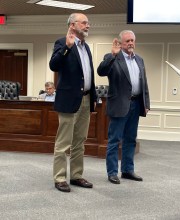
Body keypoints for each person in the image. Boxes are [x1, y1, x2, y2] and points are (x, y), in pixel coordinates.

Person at [49, 13, 97, 192]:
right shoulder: (62, 42)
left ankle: (76, 175)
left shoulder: (86, 47)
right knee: (63, 142)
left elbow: (88, 75)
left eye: (88, 23)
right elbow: (53, 65)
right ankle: (60, 177)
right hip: (69, 100)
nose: (88, 26)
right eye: (84, 23)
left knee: (80, 141)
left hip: (85, 99)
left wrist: (92, 99)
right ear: (73, 25)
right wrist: (67, 48)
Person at [97, 30, 150, 184]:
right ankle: (112, 172)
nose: (130, 43)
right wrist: (113, 55)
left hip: (135, 104)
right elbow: (101, 71)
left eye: (132, 40)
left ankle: (127, 170)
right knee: (114, 140)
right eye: (127, 41)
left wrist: (146, 103)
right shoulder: (113, 57)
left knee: (131, 140)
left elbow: (144, 83)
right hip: (119, 105)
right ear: (120, 43)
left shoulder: (139, 59)